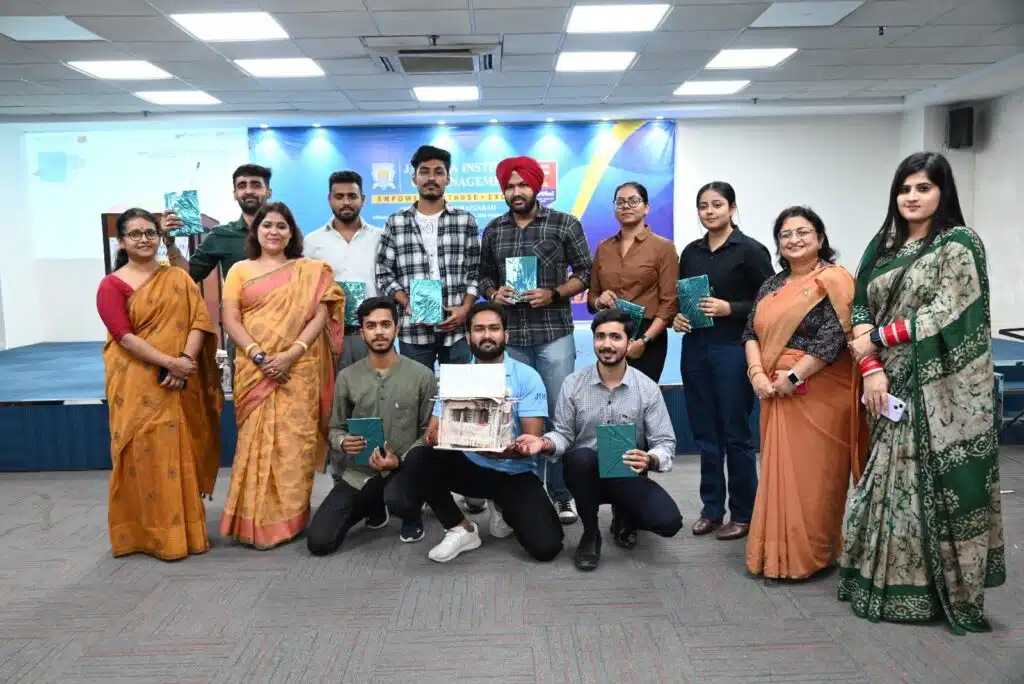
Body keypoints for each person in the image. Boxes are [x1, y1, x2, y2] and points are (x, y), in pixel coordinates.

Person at [841, 152, 1004, 634]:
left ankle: (931, 592)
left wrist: (878, 339)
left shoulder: (958, 243)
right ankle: (879, 581)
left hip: (937, 386)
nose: (912, 197)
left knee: (919, 482)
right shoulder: (882, 246)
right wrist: (871, 367)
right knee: (881, 480)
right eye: (905, 188)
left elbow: (949, 311)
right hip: (885, 381)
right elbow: (859, 308)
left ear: (942, 192)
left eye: (923, 188)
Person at [742, 206, 866, 580]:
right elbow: (750, 332)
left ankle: (812, 556)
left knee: (815, 479)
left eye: (803, 232)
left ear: (820, 238)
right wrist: (756, 374)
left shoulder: (835, 280)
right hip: (773, 391)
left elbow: (835, 336)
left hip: (819, 393)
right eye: (786, 234)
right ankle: (775, 555)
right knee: (779, 475)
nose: (794, 240)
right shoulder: (771, 285)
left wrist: (794, 377)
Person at [96, 208, 223, 561]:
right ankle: (143, 535)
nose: (143, 239)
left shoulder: (177, 278)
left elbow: (199, 321)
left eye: (150, 233)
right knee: (141, 454)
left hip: (181, 376)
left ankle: (184, 532)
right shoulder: (111, 284)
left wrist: (185, 361)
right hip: (136, 381)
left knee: (180, 451)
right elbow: (123, 336)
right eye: (134, 234)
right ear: (121, 242)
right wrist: (170, 363)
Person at [218, 201, 346, 549]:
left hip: (298, 370)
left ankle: (290, 520)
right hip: (254, 369)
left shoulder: (310, 271)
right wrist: (259, 355)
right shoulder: (240, 270)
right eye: (267, 225)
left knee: (294, 446)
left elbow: (322, 314)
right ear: (255, 231)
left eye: (281, 226)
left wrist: (291, 354)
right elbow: (230, 318)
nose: (273, 232)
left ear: (292, 233)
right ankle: (252, 522)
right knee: (254, 443)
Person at [517, 309, 682, 571]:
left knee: (669, 522)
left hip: (627, 474)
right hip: (585, 474)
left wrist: (650, 459)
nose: (607, 344)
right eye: (600, 336)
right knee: (581, 458)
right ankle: (590, 534)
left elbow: (665, 443)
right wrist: (544, 443)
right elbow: (563, 434)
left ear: (629, 342)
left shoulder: (647, 388)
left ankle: (624, 513)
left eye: (615, 337)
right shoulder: (573, 384)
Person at [479, 155, 595, 525]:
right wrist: (493, 293)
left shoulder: (564, 224)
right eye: (509, 186)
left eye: (523, 185)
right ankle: (519, 492)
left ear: (536, 187)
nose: (516, 192)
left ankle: (561, 494)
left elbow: (587, 272)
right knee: (512, 416)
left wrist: (554, 293)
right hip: (511, 338)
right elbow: (483, 277)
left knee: (559, 416)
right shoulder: (494, 230)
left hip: (553, 333)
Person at [403, 302, 564, 563]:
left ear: (506, 335)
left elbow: (531, 443)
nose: (487, 335)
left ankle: (502, 507)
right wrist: (441, 435)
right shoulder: (456, 377)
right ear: (468, 337)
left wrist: (501, 450)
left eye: (494, 328)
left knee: (547, 548)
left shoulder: (527, 376)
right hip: (469, 466)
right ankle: (461, 529)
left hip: (513, 471)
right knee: (418, 458)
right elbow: (432, 433)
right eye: (479, 329)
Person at [375, 145, 485, 514]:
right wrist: (407, 304)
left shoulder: (465, 220)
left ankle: (469, 481)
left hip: (456, 329)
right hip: (414, 331)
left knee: (462, 404)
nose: (431, 178)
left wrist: (465, 310)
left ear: (448, 178)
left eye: (438, 171)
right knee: (417, 406)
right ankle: (420, 483)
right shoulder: (396, 222)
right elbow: (384, 274)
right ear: (414, 177)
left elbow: (476, 271)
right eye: (425, 171)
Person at [674, 181, 774, 541]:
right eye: (703, 206)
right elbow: (685, 299)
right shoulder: (691, 252)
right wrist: (679, 318)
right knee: (704, 433)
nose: (709, 211)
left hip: (733, 349)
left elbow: (770, 302)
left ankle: (744, 513)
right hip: (695, 348)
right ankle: (712, 509)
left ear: (732, 208)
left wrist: (730, 308)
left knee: (735, 434)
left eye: (717, 204)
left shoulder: (750, 250)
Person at [306, 297, 436, 555]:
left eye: (385, 325)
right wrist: (343, 442)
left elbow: (429, 435)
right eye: (371, 326)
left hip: (404, 471)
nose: (379, 332)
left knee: (399, 498)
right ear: (361, 332)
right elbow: (335, 429)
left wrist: (399, 460)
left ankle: (411, 515)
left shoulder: (423, 376)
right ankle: (373, 505)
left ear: (397, 328)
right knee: (320, 542)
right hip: (361, 473)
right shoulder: (347, 377)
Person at [588, 181, 677, 382]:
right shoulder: (604, 247)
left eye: (633, 201)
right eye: (620, 202)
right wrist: (599, 301)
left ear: (646, 207)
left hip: (647, 336)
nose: (626, 206)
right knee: (609, 393)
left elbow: (669, 304)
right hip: (610, 334)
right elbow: (592, 297)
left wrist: (644, 341)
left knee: (642, 395)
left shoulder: (663, 247)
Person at [305, 170, 384, 372]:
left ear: (363, 199)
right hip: (327, 335)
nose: (346, 202)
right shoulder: (312, 242)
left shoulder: (381, 238)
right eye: (339, 196)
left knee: (374, 389)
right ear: (329, 199)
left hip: (372, 333)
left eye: (352, 196)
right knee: (333, 390)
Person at [163, 163, 273, 282]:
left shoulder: (283, 233)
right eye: (242, 186)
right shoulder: (220, 235)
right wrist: (169, 242)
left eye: (256, 185)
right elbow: (187, 277)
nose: (249, 191)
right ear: (235, 195)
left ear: (268, 192)